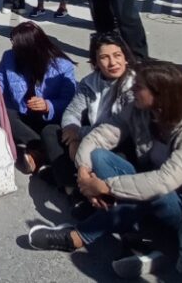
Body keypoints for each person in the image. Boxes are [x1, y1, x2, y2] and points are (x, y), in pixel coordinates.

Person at [26, 61, 182, 279]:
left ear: (159, 94)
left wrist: (104, 187)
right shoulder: (139, 108)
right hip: (150, 190)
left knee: (156, 193)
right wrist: (84, 173)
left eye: (138, 86)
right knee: (98, 156)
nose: (131, 89)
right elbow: (100, 135)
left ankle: (78, 236)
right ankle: (138, 238)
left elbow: (163, 181)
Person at [47, 34, 136, 212]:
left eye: (117, 55)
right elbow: (72, 112)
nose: (113, 63)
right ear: (95, 62)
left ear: (126, 57)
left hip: (120, 143)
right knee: (51, 132)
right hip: (90, 136)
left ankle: (98, 194)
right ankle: (74, 190)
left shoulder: (134, 85)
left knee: (103, 158)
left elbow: (118, 129)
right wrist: (72, 133)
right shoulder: (90, 83)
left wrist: (78, 136)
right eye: (104, 57)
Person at [0, 22, 76, 174]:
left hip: (48, 120)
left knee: (50, 131)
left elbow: (70, 102)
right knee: (3, 113)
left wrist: (48, 106)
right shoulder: (9, 57)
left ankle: (36, 154)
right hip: (21, 116)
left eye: (17, 46)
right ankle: (41, 148)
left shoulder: (63, 66)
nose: (13, 48)